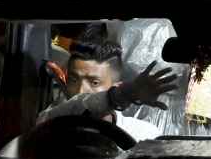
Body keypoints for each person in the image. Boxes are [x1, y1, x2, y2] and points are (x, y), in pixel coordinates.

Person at [37, 37, 176, 142]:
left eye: (94, 82)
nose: (79, 91)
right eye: (73, 80)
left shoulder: (145, 135)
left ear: (117, 84)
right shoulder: (50, 122)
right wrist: (120, 96)